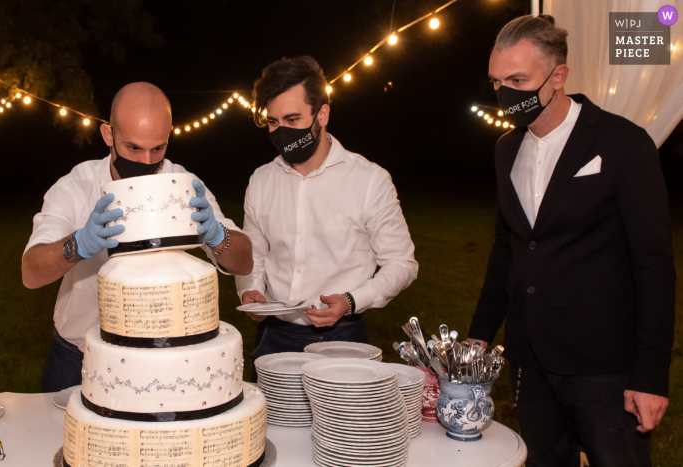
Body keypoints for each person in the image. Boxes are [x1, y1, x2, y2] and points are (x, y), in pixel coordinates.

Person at [467, 15, 675, 467]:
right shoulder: (506, 149)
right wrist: (478, 337)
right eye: (497, 82)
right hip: (530, 358)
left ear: (558, 76)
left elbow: (654, 266)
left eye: (518, 80)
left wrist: (651, 375)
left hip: (606, 366)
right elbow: (507, 250)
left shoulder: (623, 143)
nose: (505, 94)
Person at [22, 82, 253, 392]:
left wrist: (216, 234)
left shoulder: (182, 183)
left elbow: (244, 261)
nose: (146, 162)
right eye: (133, 148)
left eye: (157, 148)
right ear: (108, 135)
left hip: (162, 360)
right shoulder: (76, 186)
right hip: (78, 357)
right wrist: (78, 245)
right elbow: (30, 272)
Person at [235, 56, 418, 371]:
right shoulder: (262, 181)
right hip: (273, 337)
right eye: (274, 122)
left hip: (343, 336)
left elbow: (402, 263)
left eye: (292, 119)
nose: (281, 132)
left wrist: (352, 300)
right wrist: (250, 289)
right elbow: (254, 254)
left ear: (322, 114)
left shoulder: (369, 180)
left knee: (343, 422)